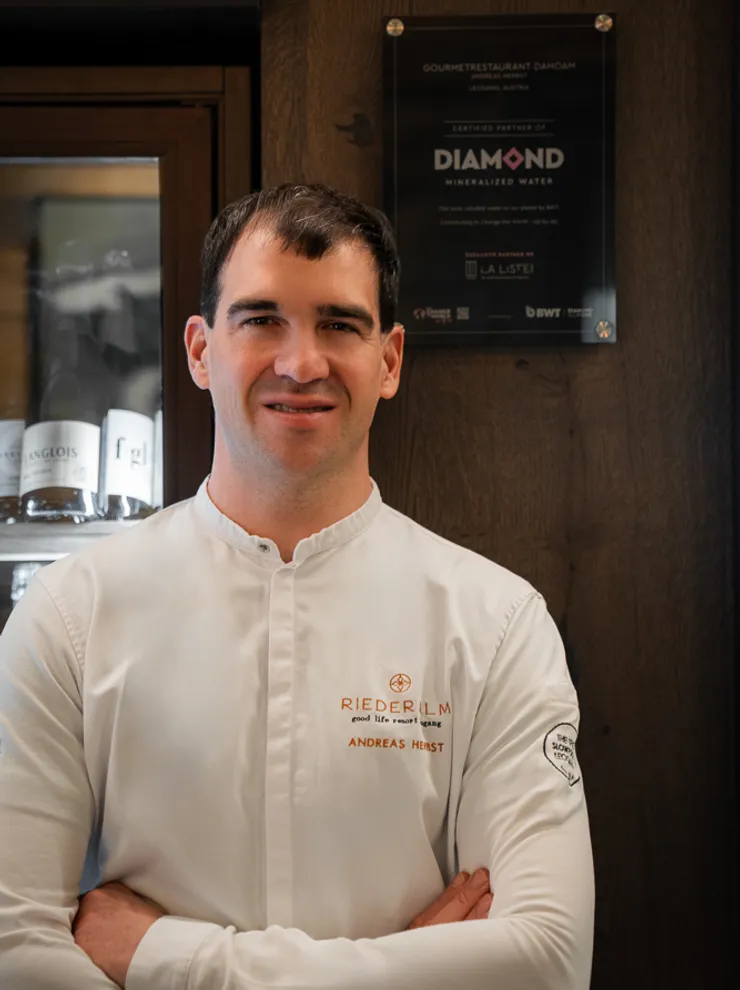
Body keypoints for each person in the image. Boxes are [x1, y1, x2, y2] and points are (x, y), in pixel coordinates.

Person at [0, 183, 594, 989]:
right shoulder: (70, 615)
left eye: (339, 325)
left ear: (388, 360)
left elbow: (548, 956)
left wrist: (166, 957)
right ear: (202, 350)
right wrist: (411, 966)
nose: (300, 362)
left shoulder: (496, 625)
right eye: (262, 319)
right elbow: (13, 946)